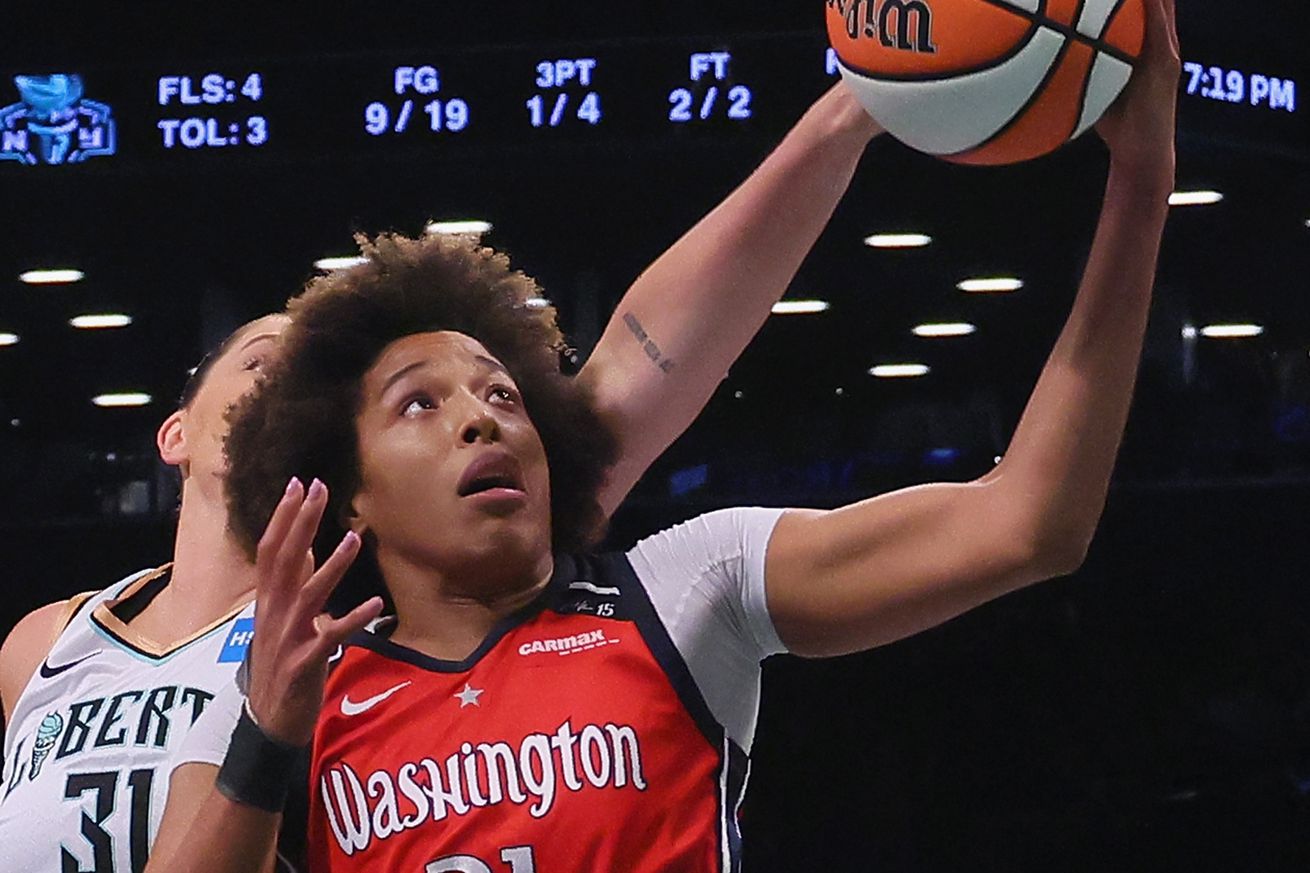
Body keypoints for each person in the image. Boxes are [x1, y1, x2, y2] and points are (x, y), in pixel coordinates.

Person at [148, 3, 1182, 868]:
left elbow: (1028, 523)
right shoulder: (281, 684)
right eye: (420, 402)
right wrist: (267, 733)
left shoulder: (685, 592)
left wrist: (1139, 184)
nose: (479, 415)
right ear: (351, 488)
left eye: (506, 396)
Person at [0, 82, 884, 870]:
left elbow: (643, 360)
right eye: (267, 363)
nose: (288, 392)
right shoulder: (48, 640)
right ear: (176, 432)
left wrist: (847, 115)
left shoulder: (393, 599)